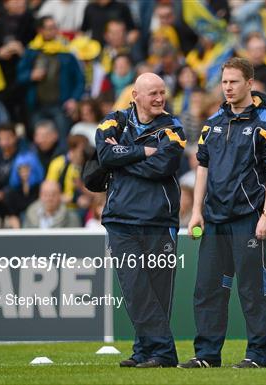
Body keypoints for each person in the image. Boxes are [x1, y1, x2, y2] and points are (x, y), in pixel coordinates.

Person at [179, 58, 266, 369]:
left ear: (249, 83)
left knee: (254, 290)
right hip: (214, 219)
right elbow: (203, 167)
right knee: (207, 290)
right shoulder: (213, 123)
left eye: (234, 82)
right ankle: (207, 355)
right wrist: (197, 212)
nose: (228, 87)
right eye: (224, 82)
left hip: (248, 218)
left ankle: (257, 355)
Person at [96, 73, 186, 368]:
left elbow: (163, 166)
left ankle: (148, 351)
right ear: (135, 95)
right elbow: (104, 153)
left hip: (159, 219)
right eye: (153, 93)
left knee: (157, 292)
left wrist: (122, 162)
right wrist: (142, 152)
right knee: (135, 288)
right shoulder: (114, 120)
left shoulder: (173, 128)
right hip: (120, 220)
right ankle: (160, 352)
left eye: (163, 92)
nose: (160, 98)